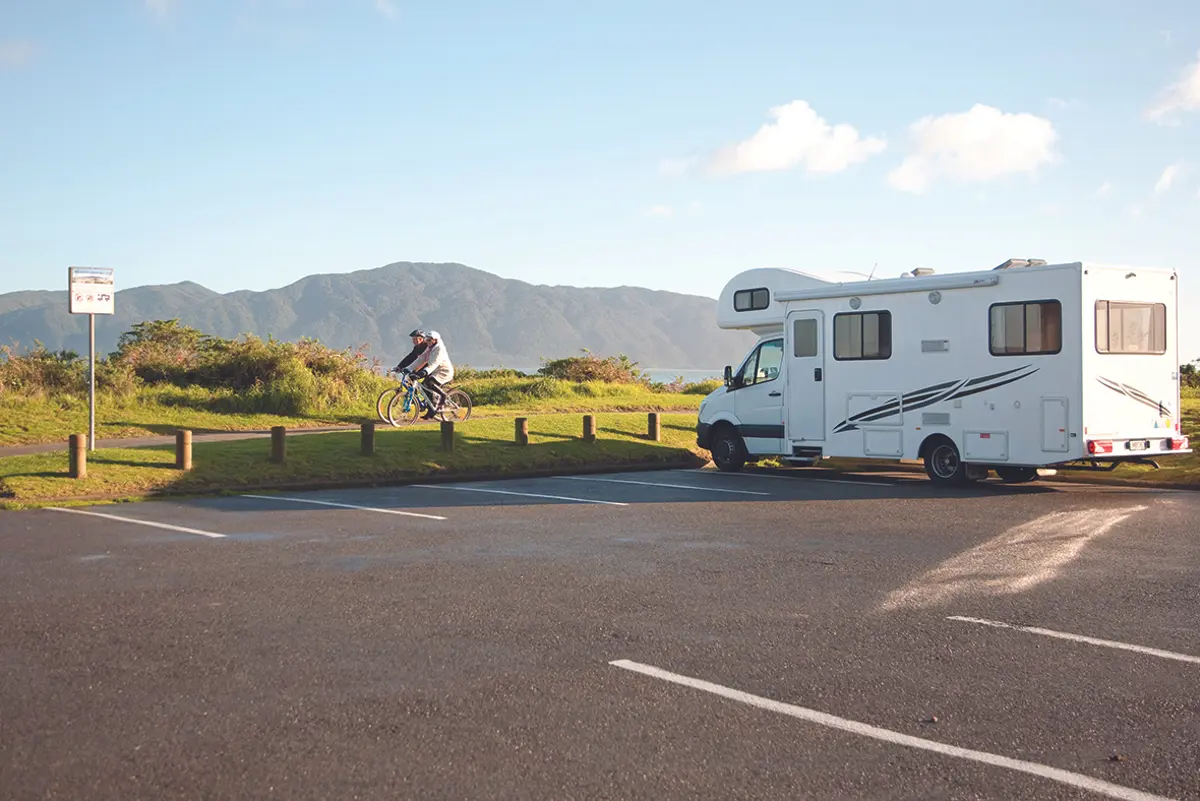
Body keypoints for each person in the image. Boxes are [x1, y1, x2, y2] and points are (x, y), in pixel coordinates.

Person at [408, 329, 454, 419]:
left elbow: (434, 364)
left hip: (444, 372)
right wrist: (408, 368)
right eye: (426, 340)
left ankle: (443, 395)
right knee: (424, 387)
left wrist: (423, 372)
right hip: (435, 371)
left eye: (429, 340)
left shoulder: (440, 349)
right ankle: (430, 410)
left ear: (435, 340)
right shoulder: (430, 348)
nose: (427, 342)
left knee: (429, 383)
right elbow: (421, 359)